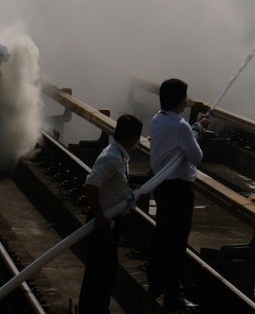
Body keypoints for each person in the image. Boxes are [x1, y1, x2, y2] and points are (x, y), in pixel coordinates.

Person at [147, 78, 207, 311]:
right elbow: (196, 157)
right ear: (180, 101)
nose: (186, 101)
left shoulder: (157, 119)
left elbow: (178, 144)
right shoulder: (181, 126)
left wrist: (194, 129)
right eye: (185, 97)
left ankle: (155, 283)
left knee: (161, 236)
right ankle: (174, 296)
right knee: (176, 244)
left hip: (162, 187)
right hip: (179, 191)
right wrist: (199, 131)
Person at [78, 113, 143, 314]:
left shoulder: (119, 155)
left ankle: (97, 308)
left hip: (110, 223)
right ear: (132, 137)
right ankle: (93, 310)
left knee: (105, 272)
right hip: (105, 223)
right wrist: (100, 217)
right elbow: (91, 185)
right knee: (99, 273)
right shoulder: (112, 158)